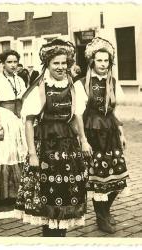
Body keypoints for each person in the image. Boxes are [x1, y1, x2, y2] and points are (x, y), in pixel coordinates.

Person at [0, 39, 92, 237]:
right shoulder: (40, 87)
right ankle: (49, 236)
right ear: (47, 64)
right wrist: (32, 154)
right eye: (56, 63)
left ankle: (60, 236)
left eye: (64, 63)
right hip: (46, 144)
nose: (61, 67)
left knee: (67, 193)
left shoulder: (73, 87)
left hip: (68, 146)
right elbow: (29, 121)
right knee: (48, 194)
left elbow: (76, 117)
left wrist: (84, 140)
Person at [79, 37, 129, 234]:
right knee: (98, 179)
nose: (103, 64)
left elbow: (115, 112)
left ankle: (105, 211)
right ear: (92, 61)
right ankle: (101, 217)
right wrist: (82, 139)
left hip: (111, 133)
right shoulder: (82, 83)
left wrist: (122, 132)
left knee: (117, 178)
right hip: (92, 133)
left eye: (106, 61)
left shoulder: (113, 83)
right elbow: (77, 115)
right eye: (99, 60)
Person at [0, 50, 27, 206]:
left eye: (15, 62)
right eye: (9, 62)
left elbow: (24, 99)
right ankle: (1, 194)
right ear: (2, 63)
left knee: (17, 153)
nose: (13, 65)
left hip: (16, 120)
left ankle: (16, 192)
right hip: (3, 118)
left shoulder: (20, 79)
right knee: (4, 154)